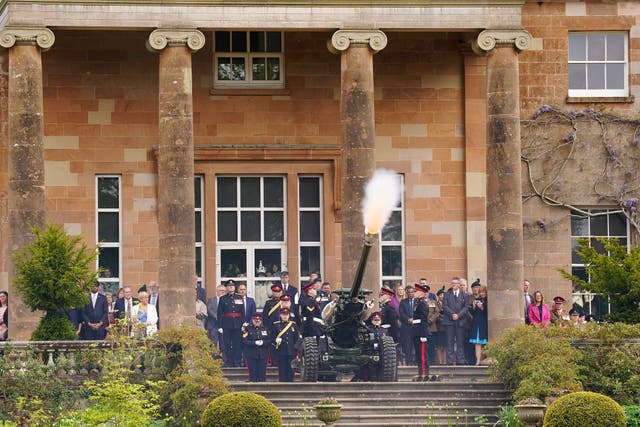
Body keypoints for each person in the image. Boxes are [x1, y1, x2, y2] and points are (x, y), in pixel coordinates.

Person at [442, 277, 469, 365]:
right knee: (449, 341)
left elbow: (466, 307)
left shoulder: (464, 295)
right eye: (452, 283)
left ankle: (460, 360)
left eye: (456, 283)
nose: (454, 285)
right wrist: (452, 314)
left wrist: (458, 315)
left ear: (459, 284)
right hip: (449, 321)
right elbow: (445, 306)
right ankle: (449, 361)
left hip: (460, 321)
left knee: (460, 341)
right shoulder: (447, 294)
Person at [217, 279, 245, 367]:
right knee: (227, 344)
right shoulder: (223, 298)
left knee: (237, 343)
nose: (231, 287)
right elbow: (220, 313)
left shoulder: (239, 297)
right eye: (229, 286)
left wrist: (243, 323)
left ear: (234, 287)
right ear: (226, 288)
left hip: (237, 324)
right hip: (227, 324)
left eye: (232, 286)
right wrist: (220, 326)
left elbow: (242, 312)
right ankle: (229, 361)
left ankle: (237, 361)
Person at [271, 307, 300, 382]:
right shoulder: (276, 325)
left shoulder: (294, 325)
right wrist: (275, 340)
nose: (285, 316)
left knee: (291, 369)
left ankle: (290, 382)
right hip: (281, 350)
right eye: (283, 314)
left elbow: (297, 339)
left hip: (291, 350)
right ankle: (282, 383)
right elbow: (271, 338)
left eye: (286, 314)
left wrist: (296, 349)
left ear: (289, 315)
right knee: (282, 368)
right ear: (280, 315)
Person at [412, 283, 433, 381]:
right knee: (418, 354)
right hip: (416, 332)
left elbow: (424, 320)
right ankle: (421, 373)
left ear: (421, 293)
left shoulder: (423, 304)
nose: (415, 293)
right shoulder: (417, 303)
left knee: (423, 354)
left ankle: (425, 373)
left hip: (422, 332)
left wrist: (424, 334)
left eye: (417, 291)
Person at [242, 313, 271, 382]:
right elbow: (245, 341)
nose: (257, 322)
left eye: (259, 320)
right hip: (251, 353)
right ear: (252, 320)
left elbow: (269, 340)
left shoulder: (265, 329)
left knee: (262, 372)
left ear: (261, 321)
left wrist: (263, 343)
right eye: (255, 320)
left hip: (263, 353)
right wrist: (254, 343)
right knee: (253, 372)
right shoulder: (248, 329)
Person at [300, 281, 327, 354]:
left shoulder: (310, 301)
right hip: (313, 328)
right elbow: (310, 317)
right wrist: (311, 333)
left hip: (315, 327)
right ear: (309, 291)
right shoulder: (310, 302)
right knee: (315, 350)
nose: (315, 291)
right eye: (313, 289)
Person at [469, 285, 488, 365]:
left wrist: (482, 308)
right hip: (477, 323)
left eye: (483, 292)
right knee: (477, 343)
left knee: (485, 342)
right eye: (480, 292)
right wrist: (473, 307)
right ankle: (478, 360)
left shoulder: (488, 300)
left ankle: (484, 359)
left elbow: (488, 312)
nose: (481, 294)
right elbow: (473, 313)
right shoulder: (477, 300)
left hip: (484, 323)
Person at [464, 279, 481, 365]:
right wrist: (473, 319)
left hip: (480, 323)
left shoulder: (482, 297)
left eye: (477, 287)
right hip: (470, 324)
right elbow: (466, 310)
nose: (475, 289)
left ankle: (480, 359)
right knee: (470, 343)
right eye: (474, 287)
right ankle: (471, 360)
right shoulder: (469, 298)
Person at [398, 285, 416, 366]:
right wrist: (408, 319)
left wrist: (414, 319)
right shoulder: (403, 302)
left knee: (416, 345)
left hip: (416, 326)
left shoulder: (417, 302)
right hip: (406, 327)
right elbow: (401, 313)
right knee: (407, 345)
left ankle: (416, 361)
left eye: (412, 292)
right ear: (406, 293)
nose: (410, 294)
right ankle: (409, 361)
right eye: (409, 292)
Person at [433, 287, 446, 365]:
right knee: (439, 346)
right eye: (440, 295)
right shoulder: (435, 304)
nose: (442, 296)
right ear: (438, 296)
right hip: (438, 327)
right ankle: (440, 362)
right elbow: (436, 314)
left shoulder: (447, 304)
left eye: (443, 295)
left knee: (445, 346)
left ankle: (445, 362)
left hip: (446, 327)